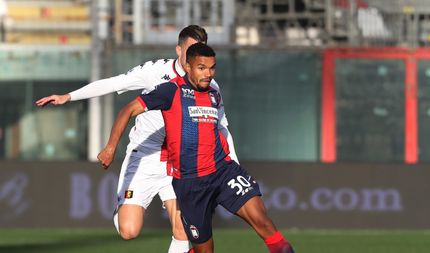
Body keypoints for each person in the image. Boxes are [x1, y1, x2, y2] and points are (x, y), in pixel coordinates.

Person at [36, 25, 239, 253]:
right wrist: (69, 96)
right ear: (179, 50)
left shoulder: (209, 86)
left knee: (182, 229)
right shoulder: (155, 72)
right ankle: (122, 209)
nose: (197, 56)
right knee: (129, 231)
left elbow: (221, 127)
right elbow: (114, 83)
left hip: (177, 162)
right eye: (191, 50)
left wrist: (234, 167)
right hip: (144, 156)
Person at [98, 43, 295, 253]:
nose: (208, 74)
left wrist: (232, 161)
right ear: (188, 68)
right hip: (191, 184)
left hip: (223, 172)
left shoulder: (214, 95)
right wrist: (111, 147)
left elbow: (221, 130)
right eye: (202, 68)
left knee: (266, 225)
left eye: (212, 68)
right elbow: (128, 109)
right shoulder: (170, 91)